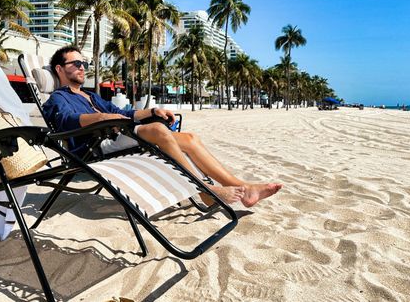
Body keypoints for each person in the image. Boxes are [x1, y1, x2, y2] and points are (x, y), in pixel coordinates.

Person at [42, 46, 283, 207]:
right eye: (75, 63)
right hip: (95, 147)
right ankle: (203, 190)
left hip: (118, 133)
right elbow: (64, 121)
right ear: (60, 69)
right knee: (157, 131)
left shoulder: (89, 96)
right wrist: (101, 119)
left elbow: (123, 112)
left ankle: (242, 186)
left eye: (83, 62)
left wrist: (152, 111)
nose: (82, 67)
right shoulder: (57, 98)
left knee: (189, 138)